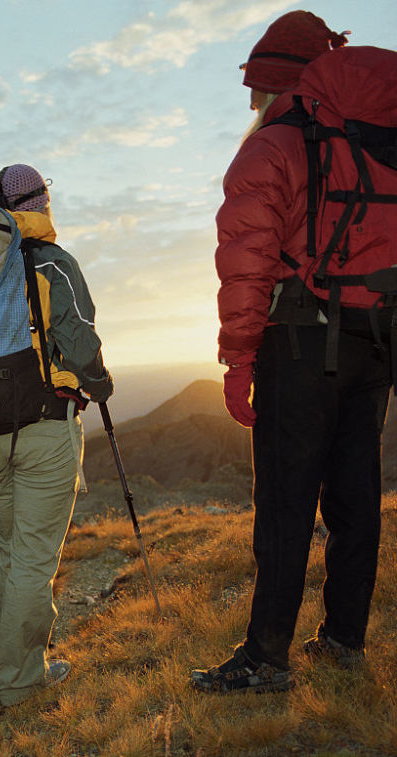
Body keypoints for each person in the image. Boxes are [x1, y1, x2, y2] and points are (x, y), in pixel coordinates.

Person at [192, 11, 396, 692]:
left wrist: (239, 358)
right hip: (376, 337)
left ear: (274, 81)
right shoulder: (377, 135)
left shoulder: (275, 142)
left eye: (256, 88)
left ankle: (266, 657)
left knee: (285, 500)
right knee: (356, 495)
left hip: (301, 340)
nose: (253, 102)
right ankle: (343, 639)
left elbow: (245, 263)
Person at [0, 164, 113, 706]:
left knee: (13, 552)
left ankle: (18, 665)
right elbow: (79, 338)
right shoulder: (52, 262)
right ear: (40, 202)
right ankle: (19, 683)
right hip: (42, 427)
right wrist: (99, 384)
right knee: (33, 557)